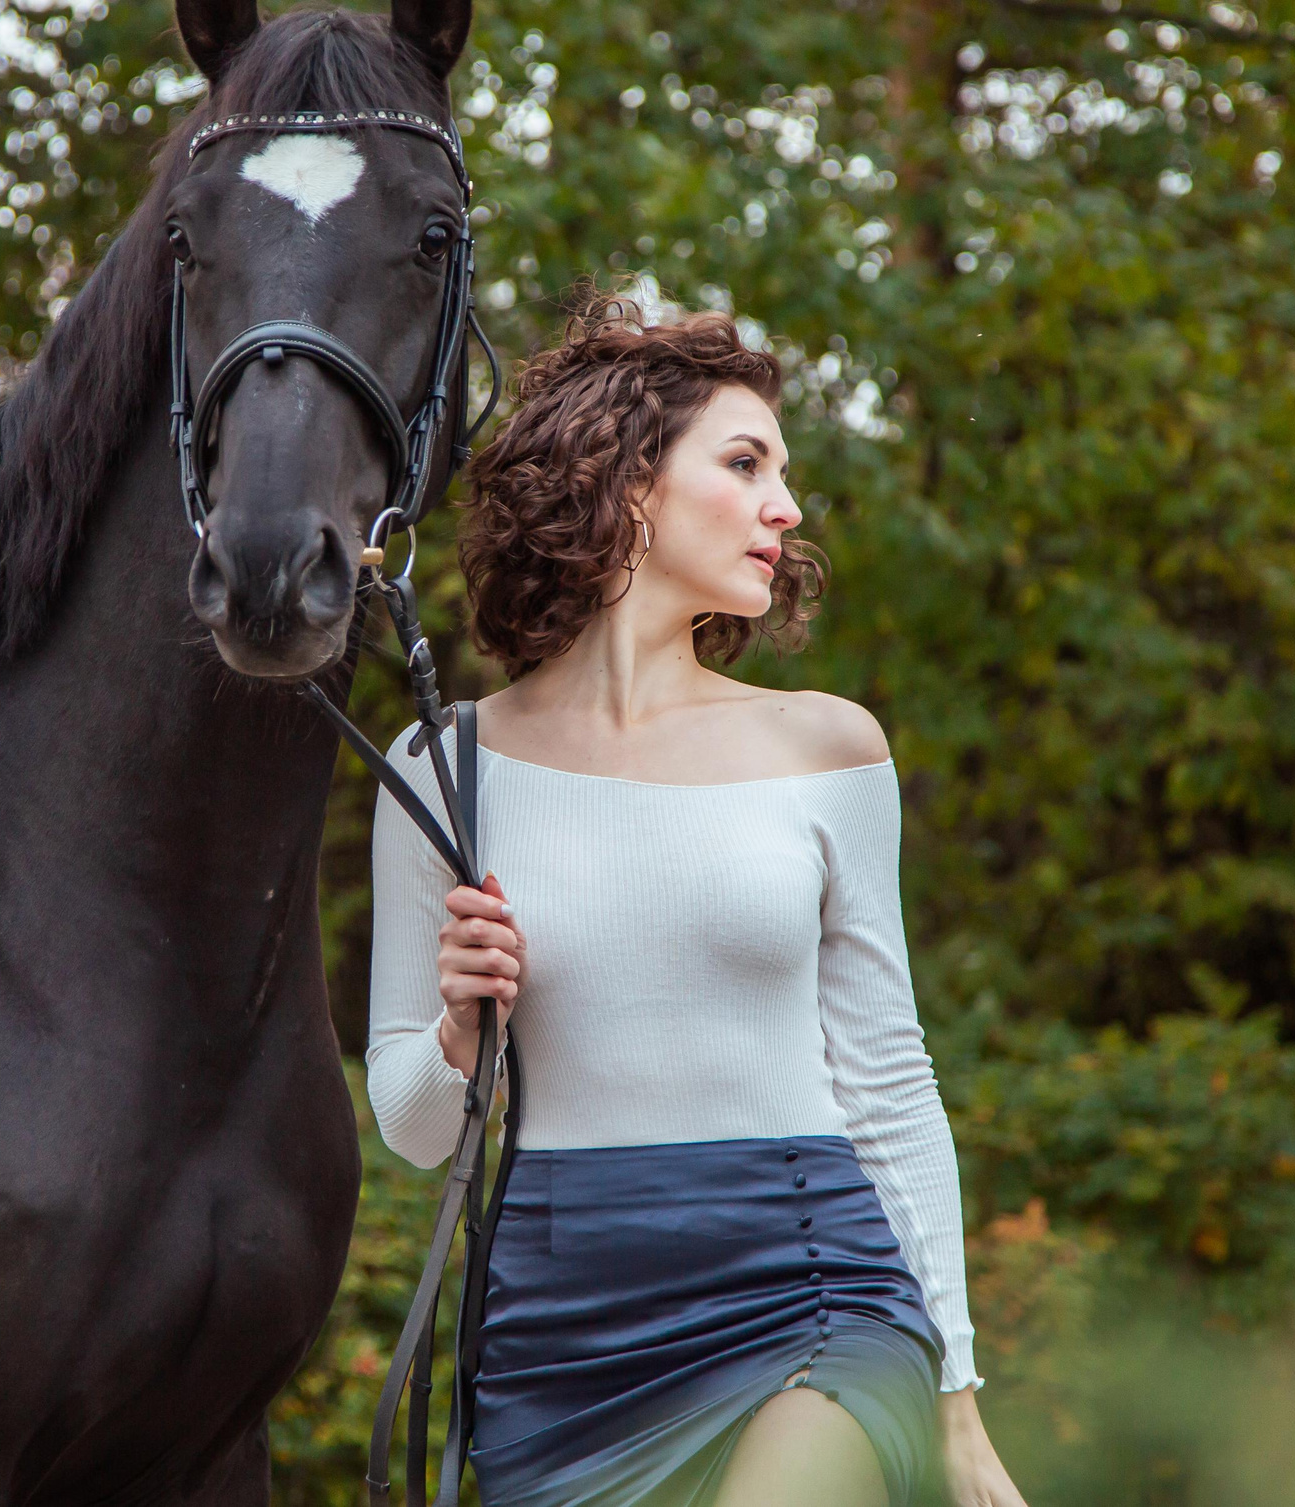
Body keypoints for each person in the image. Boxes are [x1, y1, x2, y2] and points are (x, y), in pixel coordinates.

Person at [366, 299, 1030, 1507]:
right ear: (624, 483)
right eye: (744, 463)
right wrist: (461, 1030)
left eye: (784, 474)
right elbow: (411, 1129)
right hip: (558, 1328)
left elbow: (886, 1075)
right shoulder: (440, 770)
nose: (785, 506)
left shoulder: (826, 746)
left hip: (813, 1284)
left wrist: (959, 1400)